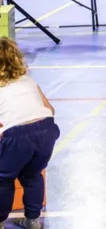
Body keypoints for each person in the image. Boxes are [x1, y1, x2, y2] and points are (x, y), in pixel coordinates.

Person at [0, 38, 59, 229]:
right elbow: (50, 110)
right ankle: (33, 221)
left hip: (18, 135)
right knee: (32, 175)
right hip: (47, 129)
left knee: (3, 178)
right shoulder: (28, 81)